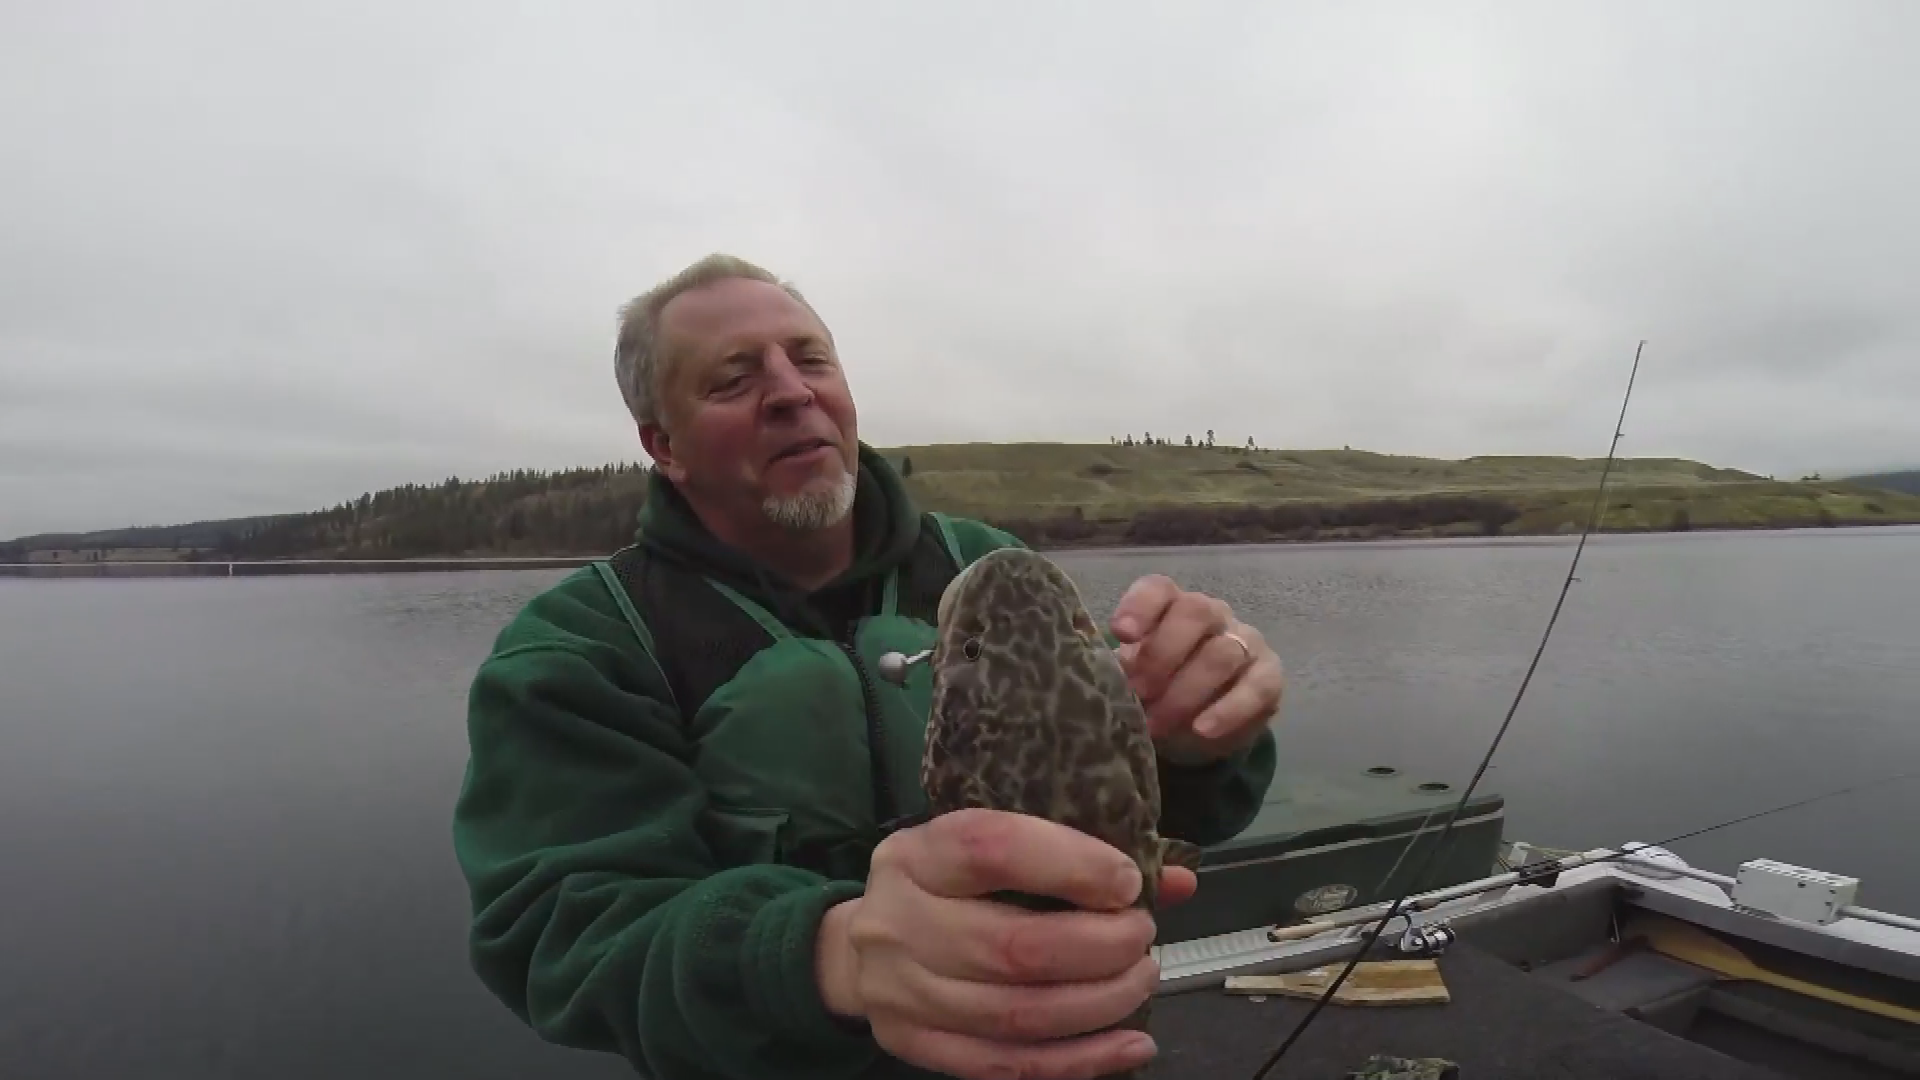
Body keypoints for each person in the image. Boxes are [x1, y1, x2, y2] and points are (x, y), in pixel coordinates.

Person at [451, 254, 1285, 1080]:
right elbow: (562, 936)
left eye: (811, 359)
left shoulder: (986, 568)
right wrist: (823, 956)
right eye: (734, 379)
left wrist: (1200, 730)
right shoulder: (580, 644)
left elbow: (1161, 813)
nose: (791, 391)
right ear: (663, 444)